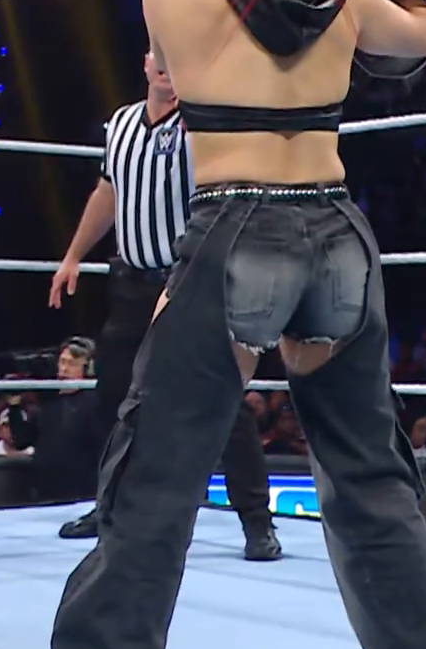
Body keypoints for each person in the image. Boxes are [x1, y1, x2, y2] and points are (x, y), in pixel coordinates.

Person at [27, 0, 426, 649]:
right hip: (338, 234)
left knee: (159, 467)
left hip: (237, 230)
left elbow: (228, 23)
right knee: (369, 475)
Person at [50, 49, 281, 561]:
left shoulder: (203, 123)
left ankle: (257, 522)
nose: (168, 67)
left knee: (222, 400)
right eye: (160, 56)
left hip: (191, 281)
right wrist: (73, 255)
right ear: (146, 62)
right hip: (131, 285)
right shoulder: (121, 125)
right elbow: (108, 191)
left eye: (178, 57)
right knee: (114, 398)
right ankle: (109, 508)